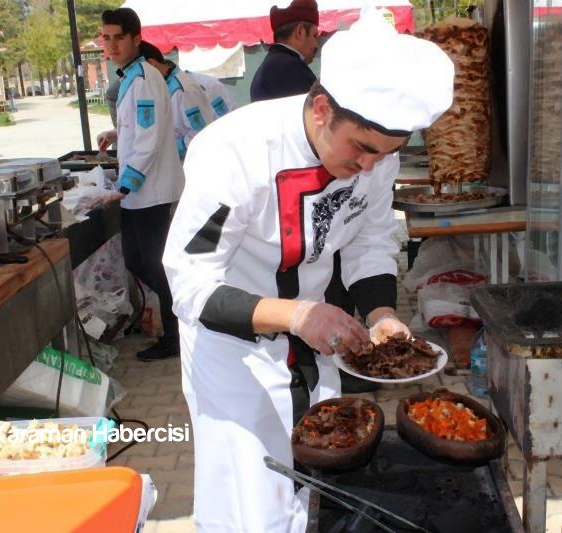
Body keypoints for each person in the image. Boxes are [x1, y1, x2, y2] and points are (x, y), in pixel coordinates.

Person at [163, 9, 454, 531]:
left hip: (316, 346)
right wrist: (296, 316)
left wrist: (383, 314)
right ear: (322, 109)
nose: (369, 167)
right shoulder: (233, 153)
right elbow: (189, 281)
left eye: (385, 155)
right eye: (362, 150)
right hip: (236, 356)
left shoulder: (375, 156)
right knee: (251, 508)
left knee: (317, 492)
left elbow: (370, 237)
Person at [91, 8, 184, 361]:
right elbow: (139, 127)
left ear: (135, 38)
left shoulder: (144, 77)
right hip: (137, 193)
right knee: (136, 259)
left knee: (156, 266)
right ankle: (177, 327)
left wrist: (124, 186)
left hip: (149, 193)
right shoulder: (132, 77)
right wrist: (117, 133)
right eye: (106, 38)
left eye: (118, 37)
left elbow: (148, 138)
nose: (111, 45)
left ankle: (178, 335)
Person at [139, 41, 215, 159]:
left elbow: (201, 134)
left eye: (135, 74)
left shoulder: (183, 90)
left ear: (151, 64)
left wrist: (166, 149)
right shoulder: (160, 86)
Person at [250, 0, 319, 102]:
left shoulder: (272, 64)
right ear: (300, 32)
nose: (316, 45)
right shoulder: (290, 67)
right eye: (314, 36)